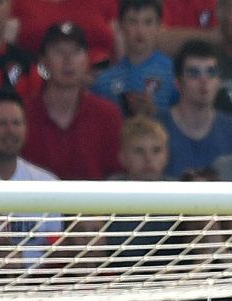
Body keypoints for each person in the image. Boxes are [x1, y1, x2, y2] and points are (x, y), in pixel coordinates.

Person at [21, 22, 123, 181]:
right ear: (43, 62)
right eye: (59, 52)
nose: (68, 60)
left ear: (87, 60)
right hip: (33, 204)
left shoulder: (108, 116)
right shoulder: (22, 115)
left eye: (76, 52)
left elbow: (118, 177)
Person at [163, 41, 232, 178]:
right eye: (194, 73)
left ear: (219, 81)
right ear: (177, 83)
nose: (204, 80)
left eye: (211, 72)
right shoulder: (158, 128)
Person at [95, 0, 175, 117]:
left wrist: (155, 114)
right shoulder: (104, 81)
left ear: (159, 27)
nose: (140, 30)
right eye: (132, 22)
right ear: (121, 26)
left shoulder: (174, 73)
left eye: (148, 22)